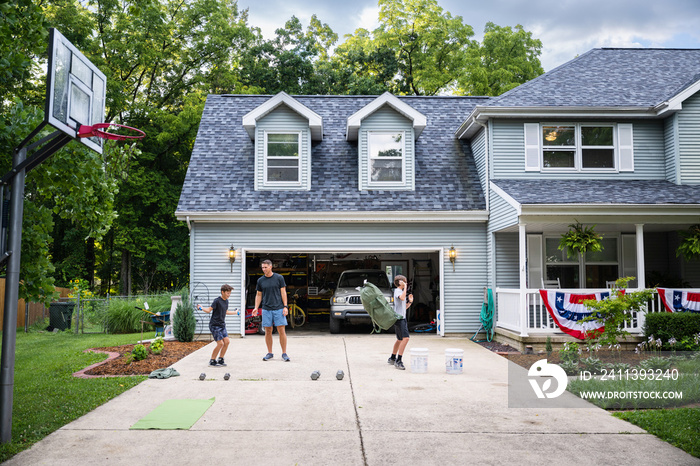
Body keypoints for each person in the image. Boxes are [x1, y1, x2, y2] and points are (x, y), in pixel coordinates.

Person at [252, 260, 290, 361]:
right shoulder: (260, 280)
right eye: (262, 268)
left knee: (281, 330)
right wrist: (256, 307)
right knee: (268, 331)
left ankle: (284, 353)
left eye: (265, 267)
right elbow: (259, 295)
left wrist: (285, 306)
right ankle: (269, 353)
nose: (264, 269)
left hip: (279, 308)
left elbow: (283, 292)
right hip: (266, 309)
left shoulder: (279, 278)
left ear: (271, 267)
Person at [199, 284, 237, 367]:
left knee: (227, 342)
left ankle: (220, 359)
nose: (229, 295)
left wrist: (235, 312)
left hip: (222, 325)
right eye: (227, 293)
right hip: (215, 325)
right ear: (222, 292)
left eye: (230, 293)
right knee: (220, 344)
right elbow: (209, 310)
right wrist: (201, 308)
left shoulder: (226, 301)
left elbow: (226, 311)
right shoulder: (217, 301)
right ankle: (212, 360)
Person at [388, 275, 412, 370]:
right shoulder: (398, 291)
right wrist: (405, 288)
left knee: (399, 339)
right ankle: (399, 361)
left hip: (402, 318)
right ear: (400, 282)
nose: (406, 283)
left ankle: (392, 358)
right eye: (404, 282)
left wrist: (409, 302)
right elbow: (402, 298)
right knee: (405, 338)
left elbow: (403, 307)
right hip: (399, 319)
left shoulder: (401, 292)